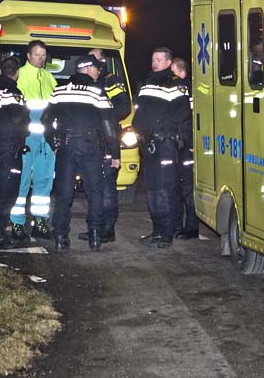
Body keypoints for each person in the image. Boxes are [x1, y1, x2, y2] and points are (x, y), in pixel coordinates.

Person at [41, 54, 120, 251]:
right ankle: (95, 236)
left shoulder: (59, 91)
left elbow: (45, 120)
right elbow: (109, 126)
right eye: (96, 68)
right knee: (95, 192)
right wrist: (115, 154)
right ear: (86, 69)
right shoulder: (97, 92)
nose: (98, 71)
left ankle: (60, 236)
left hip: (66, 147)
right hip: (91, 147)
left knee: (64, 193)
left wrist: (55, 142)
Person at [132, 47, 191, 249]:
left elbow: (182, 112)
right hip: (149, 144)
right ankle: (156, 230)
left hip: (165, 143)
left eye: (159, 59)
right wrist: (138, 128)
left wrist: (161, 128)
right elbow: (140, 113)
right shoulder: (147, 83)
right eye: (153, 59)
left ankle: (166, 233)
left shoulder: (176, 84)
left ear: (168, 62)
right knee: (153, 190)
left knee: (166, 189)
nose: (155, 63)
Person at [77, 48, 132, 244]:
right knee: (94, 186)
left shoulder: (111, 81)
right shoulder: (88, 81)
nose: (90, 63)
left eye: (94, 59)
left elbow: (124, 107)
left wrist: (103, 118)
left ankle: (107, 229)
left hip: (107, 139)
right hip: (90, 141)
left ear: (102, 61)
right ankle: (96, 227)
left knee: (107, 187)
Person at [0, 56, 30, 250]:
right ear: (16, 73)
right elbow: (20, 119)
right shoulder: (13, 92)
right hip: (10, 149)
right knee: (8, 192)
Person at [12, 40, 57, 243]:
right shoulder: (19, 75)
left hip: (46, 142)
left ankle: (40, 223)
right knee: (21, 184)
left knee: (44, 183)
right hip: (26, 140)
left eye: (43, 55)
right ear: (28, 56)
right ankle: (17, 224)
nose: (41, 58)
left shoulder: (49, 78)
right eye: (37, 54)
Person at [170, 57, 198, 239]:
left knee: (188, 189)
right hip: (180, 145)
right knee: (177, 188)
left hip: (187, 146)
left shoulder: (185, 90)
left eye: (172, 71)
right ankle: (178, 226)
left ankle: (191, 228)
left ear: (182, 73)